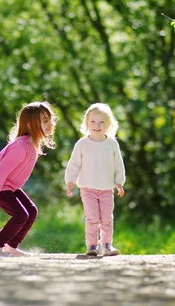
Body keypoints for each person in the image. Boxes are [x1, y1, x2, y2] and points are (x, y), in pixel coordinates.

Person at [0, 101, 57, 258]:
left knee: (31, 211)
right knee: (21, 215)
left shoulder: (32, 144)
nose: (50, 124)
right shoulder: (21, 147)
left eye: (50, 120)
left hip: (8, 185)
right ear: (29, 124)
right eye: (45, 121)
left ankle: (10, 246)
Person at [65, 103, 125, 257]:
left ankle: (106, 245)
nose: (97, 125)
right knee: (92, 219)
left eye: (101, 122)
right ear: (87, 123)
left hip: (106, 189)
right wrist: (70, 180)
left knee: (106, 218)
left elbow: (118, 165)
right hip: (87, 189)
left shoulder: (112, 144)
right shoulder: (82, 144)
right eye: (93, 122)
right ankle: (92, 246)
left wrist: (119, 182)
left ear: (108, 124)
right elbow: (74, 164)